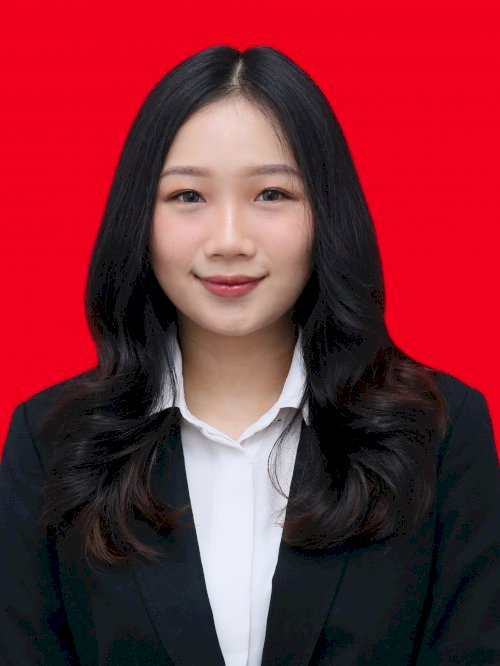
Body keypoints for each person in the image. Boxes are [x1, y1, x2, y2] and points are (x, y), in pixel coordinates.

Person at [0, 44, 498, 666]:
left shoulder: (438, 431)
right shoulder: (53, 442)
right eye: (188, 196)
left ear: (326, 212)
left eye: (271, 194)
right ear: (139, 218)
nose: (229, 240)